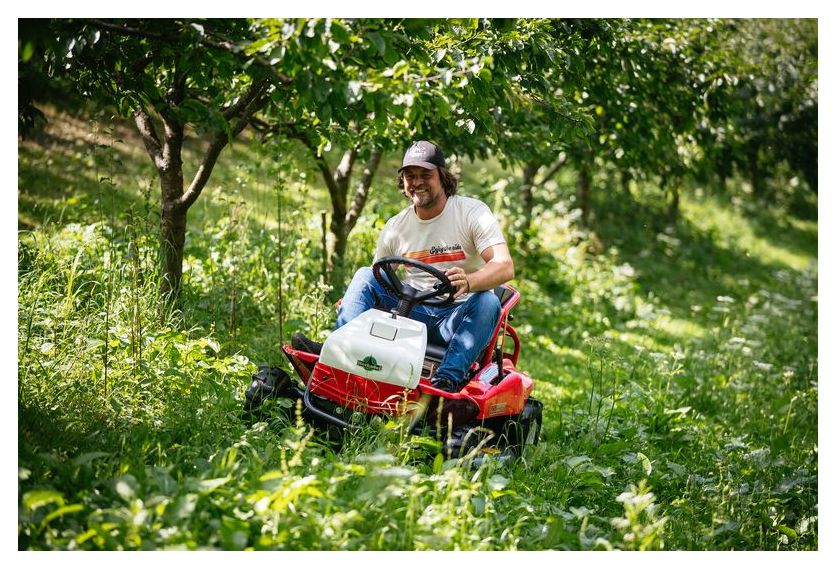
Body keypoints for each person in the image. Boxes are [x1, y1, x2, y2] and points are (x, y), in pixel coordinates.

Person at [293, 140, 514, 392]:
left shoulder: (471, 212)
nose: (416, 182)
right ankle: (336, 352)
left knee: (487, 301)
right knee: (365, 275)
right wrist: (353, 295)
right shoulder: (396, 227)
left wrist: (470, 281)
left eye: (425, 175)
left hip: (454, 319)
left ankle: (445, 381)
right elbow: (379, 276)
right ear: (403, 181)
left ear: (442, 177)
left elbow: (504, 266)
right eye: (410, 175)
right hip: (409, 313)